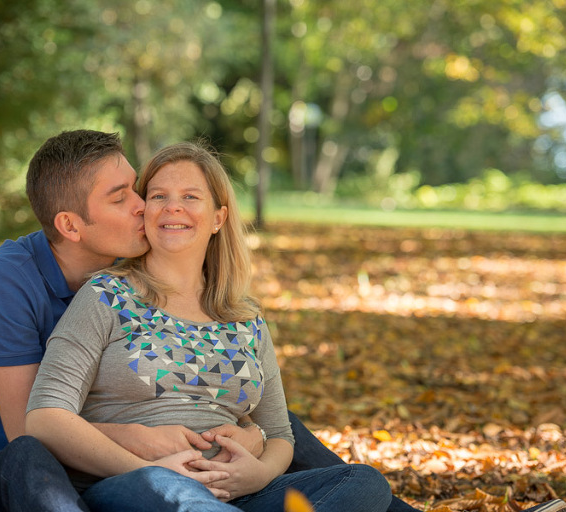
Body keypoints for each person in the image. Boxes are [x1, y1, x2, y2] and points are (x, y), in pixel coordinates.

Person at [25, 140, 394, 511]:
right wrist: (151, 466)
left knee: (363, 483)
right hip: (138, 484)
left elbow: (280, 434)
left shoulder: (245, 318)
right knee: (182, 497)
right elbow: (46, 416)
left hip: (240, 494)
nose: (173, 207)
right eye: (158, 196)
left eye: (190, 196)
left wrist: (259, 474)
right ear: (144, 211)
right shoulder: (105, 296)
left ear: (218, 218)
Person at [0, 130, 263, 512]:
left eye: (137, 189)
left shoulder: (125, 275)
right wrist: (136, 438)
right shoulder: (5, 282)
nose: (143, 206)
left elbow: (197, 386)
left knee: (283, 424)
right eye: (120, 198)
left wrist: (254, 435)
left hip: (99, 471)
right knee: (27, 455)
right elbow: (29, 429)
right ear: (71, 227)